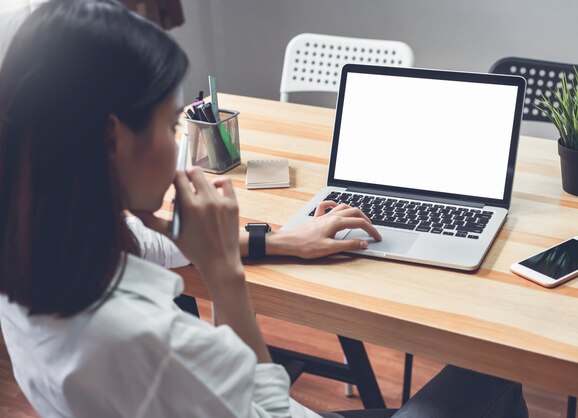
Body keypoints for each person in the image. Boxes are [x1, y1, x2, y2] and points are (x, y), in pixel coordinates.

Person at [0, 1, 528, 417]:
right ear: (113, 139)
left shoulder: (34, 255)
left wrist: (278, 241)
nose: (182, 147)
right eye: (170, 126)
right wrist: (225, 275)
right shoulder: (145, 341)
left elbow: (150, 244)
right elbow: (270, 409)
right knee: (492, 369)